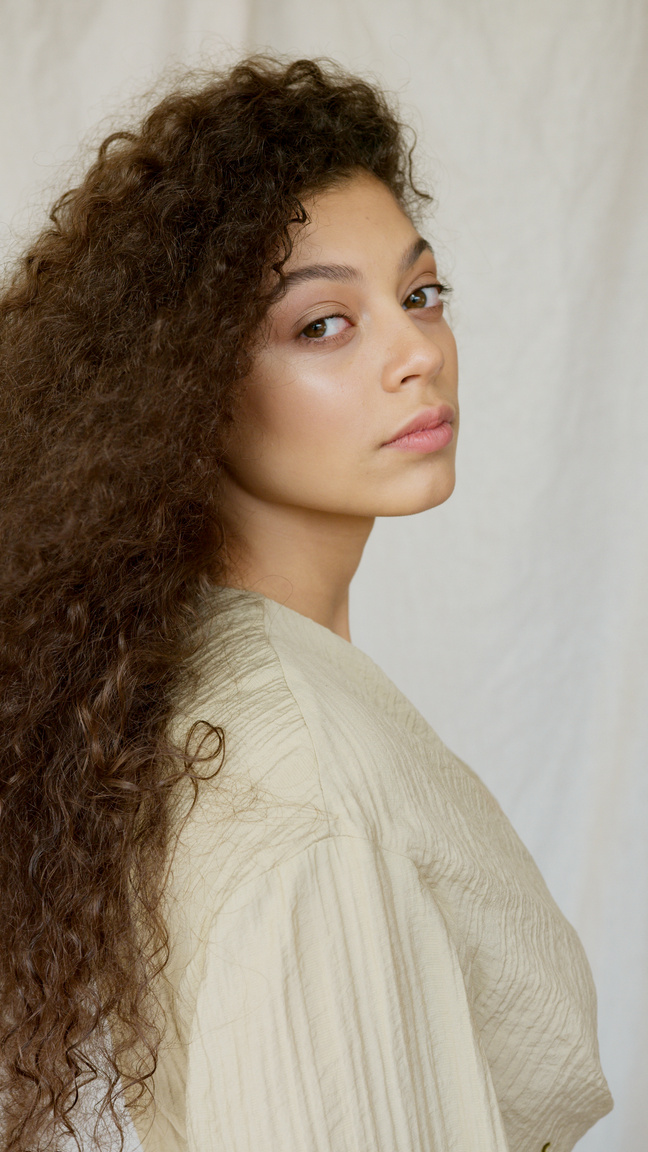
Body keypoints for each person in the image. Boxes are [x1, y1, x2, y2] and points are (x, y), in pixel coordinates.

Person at [0, 55, 612, 1152]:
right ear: (183, 384)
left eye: (418, 295)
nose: (418, 352)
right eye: (324, 323)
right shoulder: (312, 796)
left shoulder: (206, 696)